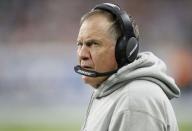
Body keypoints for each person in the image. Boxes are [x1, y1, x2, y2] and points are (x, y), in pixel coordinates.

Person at [74, 3, 180, 131]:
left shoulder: (135, 99)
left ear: (123, 50)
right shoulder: (112, 93)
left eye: (93, 44)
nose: (82, 54)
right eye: (80, 44)